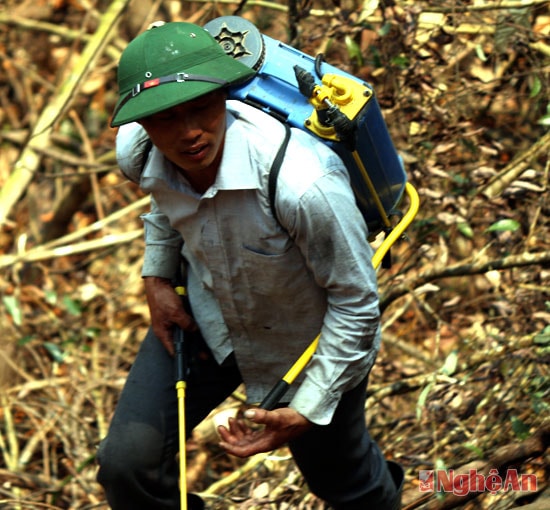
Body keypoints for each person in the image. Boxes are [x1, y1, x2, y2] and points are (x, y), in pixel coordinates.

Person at [96, 20, 403, 510]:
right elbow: (164, 203)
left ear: (225, 94)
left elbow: (357, 302)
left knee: (346, 483)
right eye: (166, 119)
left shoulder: (303, 183)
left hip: (306, 346)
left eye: (201, 108)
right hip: (207, 322)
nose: (189, 132)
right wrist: (157, 276)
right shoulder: (140, 153)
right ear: (144, 124)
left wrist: (309, 406)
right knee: (126, 467)